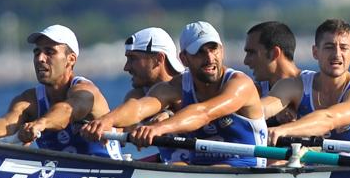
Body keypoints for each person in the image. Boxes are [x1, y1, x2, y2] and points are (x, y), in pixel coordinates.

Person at [84, 21, 268, 166]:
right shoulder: (175, 86)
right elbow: (139, 108)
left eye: (214, 49)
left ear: (222, 50)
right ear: (184, 59)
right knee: (177, 167)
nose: (210, 58)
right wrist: (106, 121)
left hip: (244, 165)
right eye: (200, 53)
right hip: (198, 167)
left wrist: (158, 128)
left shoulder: (240, 84)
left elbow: (203, 113)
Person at [0, 25, 121, 159]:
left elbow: (67, 110)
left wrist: (41, 123)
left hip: (112, 176)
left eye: (49, 52)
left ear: (70, 60)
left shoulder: (87, 92)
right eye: (37, 52)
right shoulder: (29, 100)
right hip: (61, 177)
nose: (40, 58)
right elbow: (7, 123)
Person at [265, 19, 350, 144]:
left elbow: (329, 119)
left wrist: (282, 130)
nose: (337, 54)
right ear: (315, 52)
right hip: (316, 163)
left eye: (344, 48)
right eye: (329, 47)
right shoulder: (294, 86)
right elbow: (261, 109)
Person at [244, 20, 301, 126]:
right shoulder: (257, 91)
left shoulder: (314, 85)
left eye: (252, 53)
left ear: (274, 53)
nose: (246, 61)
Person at [122, 26, 185, 102]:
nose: (126, 67)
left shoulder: (194, 88)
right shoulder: (136, 97)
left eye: (133, 58)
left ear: (159, 59)